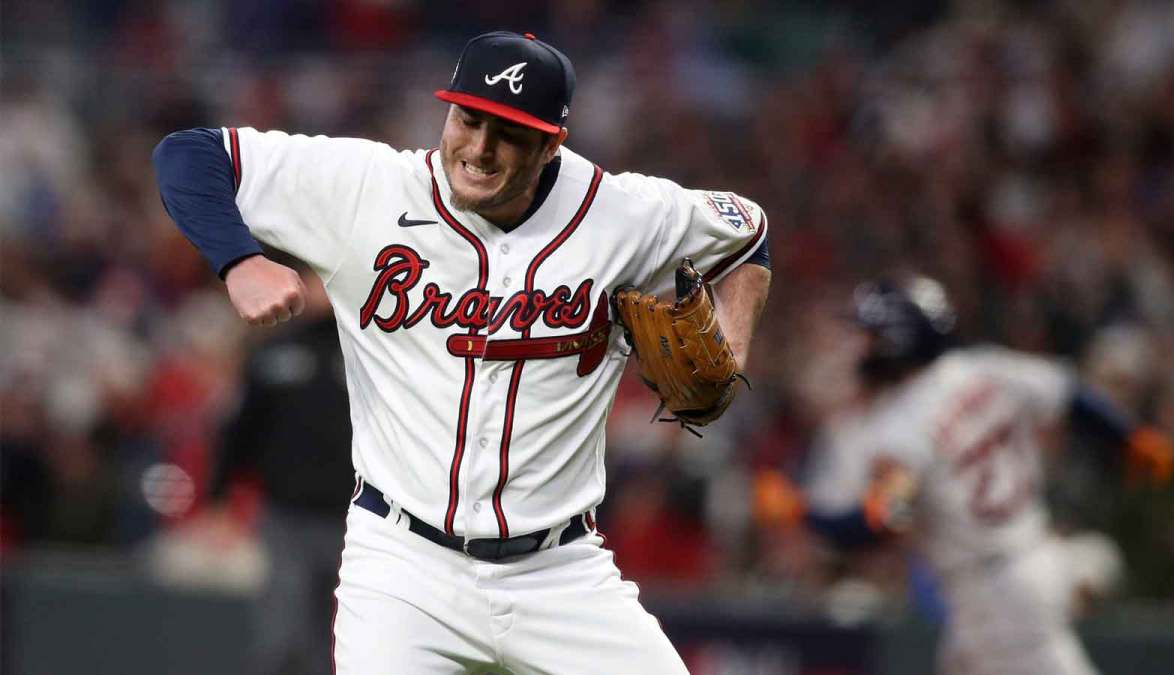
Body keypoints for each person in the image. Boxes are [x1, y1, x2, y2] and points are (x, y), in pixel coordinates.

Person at [153, 31, 771, 674]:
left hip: (560, 574)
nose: (478, 148)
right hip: (403, 567)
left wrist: (732, 345)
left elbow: (746, 233)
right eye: (467, 119)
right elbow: (189, 155)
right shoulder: (367, 188)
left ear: (551, 141)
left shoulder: (627, 214)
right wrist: (239, 260)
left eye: (506, 132)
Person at [754, 276, 1174, 675]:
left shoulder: (903, 424)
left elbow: (878, 521)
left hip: (994, 594)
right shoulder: (988, 368)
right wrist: (1130, 437)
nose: (862, 347)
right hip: (1027, 559)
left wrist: (798, 510)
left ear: (896, 341)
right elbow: (1071, 395)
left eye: (871, 335)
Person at [207, 259, 353, 675]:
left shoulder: (367, 353)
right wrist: (218, 498)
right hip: (287, 516)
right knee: (282, 635)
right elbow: (240, 433)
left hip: (354, 518)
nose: (319, 290)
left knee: (346, 637)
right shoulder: (273, 353)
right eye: (312, 279)